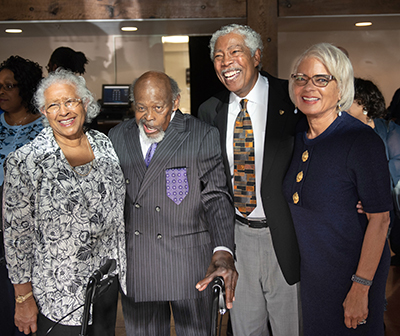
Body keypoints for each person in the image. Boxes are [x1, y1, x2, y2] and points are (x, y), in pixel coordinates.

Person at [108, 70, 237, 335]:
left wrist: (223, 249)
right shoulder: (117, 136)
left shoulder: (200, 134)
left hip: (190, 265)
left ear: (175, 102)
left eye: (158, 107)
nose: (149, 117)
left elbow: (217, 197)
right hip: (138, 263)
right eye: (141, 107)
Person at [3, 69, 126, 336]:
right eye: (53, 105)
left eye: (70, 101)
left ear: (84, 103)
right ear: (44, 112)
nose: (63, 111)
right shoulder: (25, 161)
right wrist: (23, 299)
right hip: (57, 294)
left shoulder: (104, 143)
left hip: (106, 285)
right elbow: (17, 239)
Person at [198, 24, 302, 336]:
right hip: (237, 238)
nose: (225, 62)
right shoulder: (209, 110)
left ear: (256, 56)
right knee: (245, 330)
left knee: (291, 329)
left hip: (284, 236)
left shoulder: (292, 97)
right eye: (218, 56)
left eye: (234, 52)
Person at [283, 43, 392, 335]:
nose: (309, 87)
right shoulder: (297, 135)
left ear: (341, 87)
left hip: (353, 277)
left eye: (321, 79)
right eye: (301, 78)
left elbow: (380, 220)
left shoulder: (361, 142)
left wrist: (361, 287)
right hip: (315, 278)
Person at [0, 55, 44, 336]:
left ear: (25, 88)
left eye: (9, 85)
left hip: (32, 226)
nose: (1, 91)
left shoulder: (46, 129)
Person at [349, 77, 400, 267]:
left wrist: (372, 197)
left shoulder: (387, 132)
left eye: (348, 100)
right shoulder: (344, 132)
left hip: (382, 209)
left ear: (364, 104)